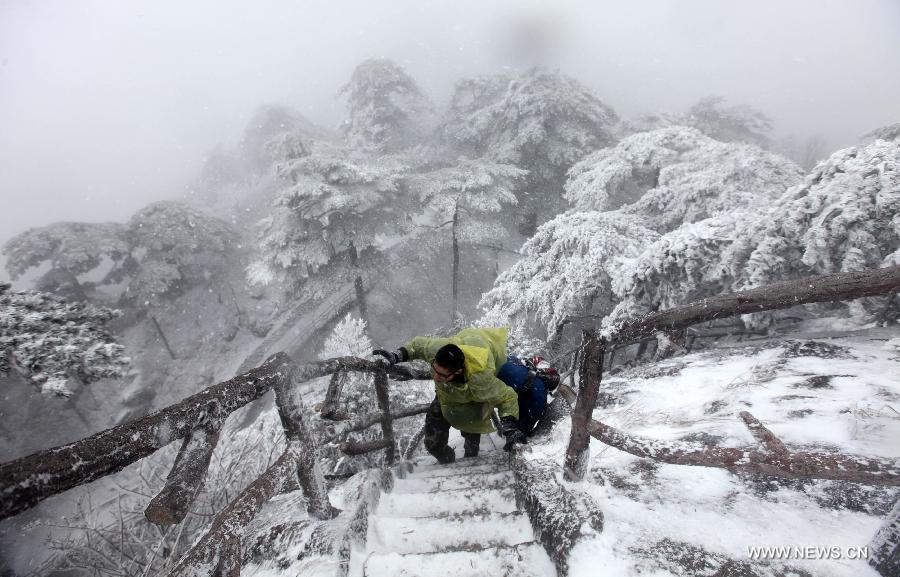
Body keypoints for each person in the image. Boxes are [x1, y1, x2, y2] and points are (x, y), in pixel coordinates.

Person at [373, 326, 527, 464]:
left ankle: (470, 463)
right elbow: (418, 345)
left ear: (458, 371)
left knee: (472, 439)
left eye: (441, 374)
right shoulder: (439, 351)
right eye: (434, 369)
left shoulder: (480, 379)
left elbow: (507, 396)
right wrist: (397, 355)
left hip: (473, 401)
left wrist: (510, 426)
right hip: (445, 396)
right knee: (432, 443)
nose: (435, 377)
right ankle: (448, 461)